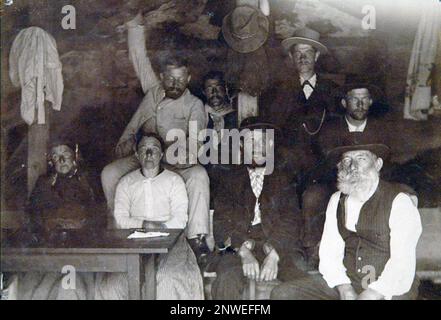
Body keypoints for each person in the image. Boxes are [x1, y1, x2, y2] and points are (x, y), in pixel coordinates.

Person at [101, 11, 210, 257]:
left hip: (174, 161)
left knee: (199, 175)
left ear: (188, 79)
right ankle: (118, 229)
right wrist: (135, 25)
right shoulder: (153, 91)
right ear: (162, 78)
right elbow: (140, 61)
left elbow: (195, 143)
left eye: (180, 79)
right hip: (146, 155)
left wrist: (179, 157)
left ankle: (197, 238)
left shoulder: (195, 105)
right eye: (170, 79)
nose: (175, 84)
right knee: (109, 173)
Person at [271, 143, 422, 300]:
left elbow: (402, 262)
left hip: (391, 287)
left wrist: (374, 293)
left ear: (377, 164)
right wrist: (344, 288)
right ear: (340, 166)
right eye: (347, 160)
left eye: (361, 158)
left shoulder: (399, 201)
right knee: (283, 294)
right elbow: (330, 253)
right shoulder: (337, 200)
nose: (353, 166)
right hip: (349, 283)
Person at [97, 131, 204, 300]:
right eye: (144, 149)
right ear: (137, 154)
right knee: (113, 285)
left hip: (172, 241)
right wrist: (144, 225)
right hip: (134, 242)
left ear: (161, 154)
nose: (149, 153)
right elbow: (120, 218)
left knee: (167, 279)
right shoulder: (126, 182)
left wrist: (160, 227)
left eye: (154, 149)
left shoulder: (174, 181)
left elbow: (180, 218)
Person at [210, 116, 306, 300]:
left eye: (264, 141)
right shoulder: (228, 179)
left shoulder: (284, 177)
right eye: (251, 140)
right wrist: (243, 252)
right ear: (240, 145)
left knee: (302, 281)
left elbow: (292, 220)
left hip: (279, 246)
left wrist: (275, 254)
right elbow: (221, 224)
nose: (257, 146)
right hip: (238, 247)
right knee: (226, 280)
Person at [301, 78, 387, 268]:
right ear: (344, 103)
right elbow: (321, 166)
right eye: (354, 99)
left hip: (369, 184)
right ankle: (313, 250)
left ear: (371, 101)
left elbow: (389, 165)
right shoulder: (330, 130)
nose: (360, 104)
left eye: (364, 98)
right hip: (336, 182)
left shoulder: (381, 129)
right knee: (313, 196)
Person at [12, 142, 101, 300]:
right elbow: (32, 215)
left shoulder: (88, 180)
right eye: (55, 155)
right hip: (50, 250)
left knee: (69, 289)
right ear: (51, 161)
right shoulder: (44, 182)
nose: (61, 160)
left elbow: (98, 217)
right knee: (34, 290)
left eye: (65, 153)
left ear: (74, 154)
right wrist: (51, 224)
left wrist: (78, 225)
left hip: (81, 252)